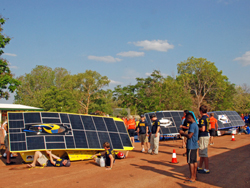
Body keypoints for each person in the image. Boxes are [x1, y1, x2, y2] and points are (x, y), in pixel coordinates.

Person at [179, 112, 199, 183]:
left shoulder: (192, 125)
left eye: (187, 119)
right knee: (194, 161)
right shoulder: (195, 124)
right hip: (195, 145)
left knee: (190, 162)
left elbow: (190, 136)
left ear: (190, 118)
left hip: (191, 145)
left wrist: (182, 133)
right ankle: (194, 176)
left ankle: (192, 177)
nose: (186, 121)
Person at [197, 105, 210, 174]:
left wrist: (197, 127)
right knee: (202, 152)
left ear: (201, 111)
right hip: (206, 135)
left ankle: (206, 168)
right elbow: (209, 127)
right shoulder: (207, 118)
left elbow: (203, 129)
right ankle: (200, 167)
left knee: (204, 152)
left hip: (203, 136)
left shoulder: (202, 119)